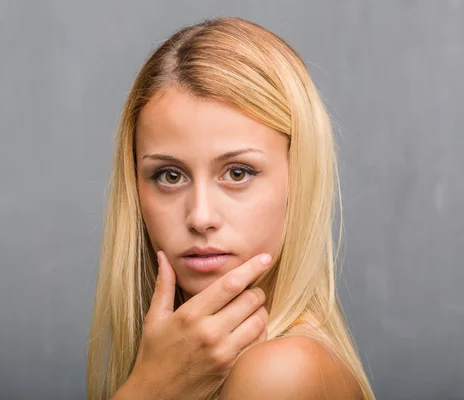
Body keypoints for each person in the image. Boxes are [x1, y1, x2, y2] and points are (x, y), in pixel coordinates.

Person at [86, 16, 375, 399]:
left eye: (238, 173)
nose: (201, 217)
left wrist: (148, 391)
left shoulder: (279, 373)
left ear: (300, 178)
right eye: (170, 176)